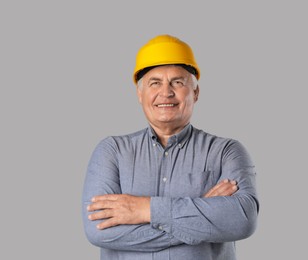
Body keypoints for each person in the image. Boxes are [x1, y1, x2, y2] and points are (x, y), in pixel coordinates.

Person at [82, 34, 259, 260]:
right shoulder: (111, 152)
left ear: (195, 92)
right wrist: (204, 215)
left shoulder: (227, 152)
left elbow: (243, 220)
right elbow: (99, 231)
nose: (166, 92)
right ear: (140, 93)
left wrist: (146, 210)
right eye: (155, 83)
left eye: (178, 82)